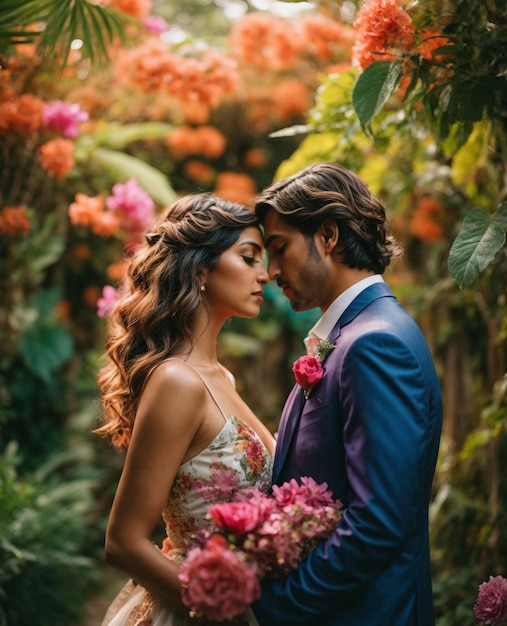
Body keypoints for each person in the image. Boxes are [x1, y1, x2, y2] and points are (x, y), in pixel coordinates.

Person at [251, 163, 443, 626]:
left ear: (329, 235)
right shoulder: (358, 333)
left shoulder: (375, 344)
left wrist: (275, 605)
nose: (272, 270)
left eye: (279, 248)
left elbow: (378, 524)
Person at [95, 193, 274, 626]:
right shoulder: (178, 381)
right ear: (200, 270)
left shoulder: (221, 378)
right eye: (249, 258)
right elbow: (124, 541)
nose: (265, 275)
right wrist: (218, 608)